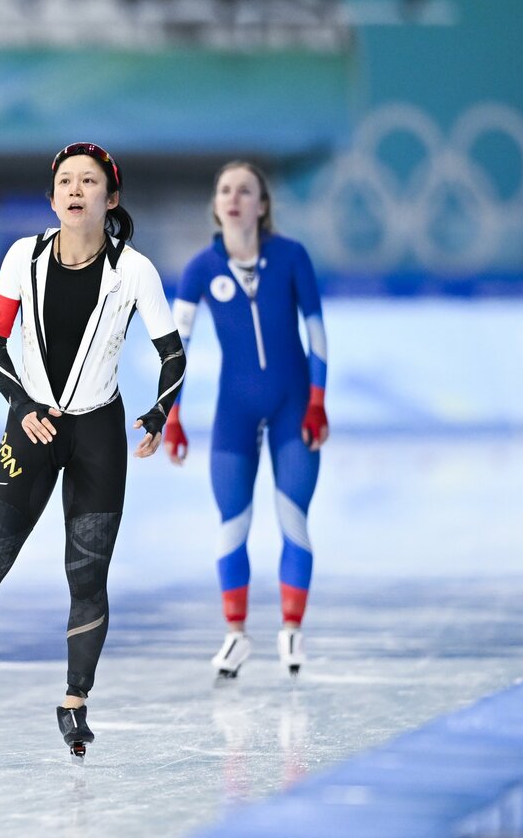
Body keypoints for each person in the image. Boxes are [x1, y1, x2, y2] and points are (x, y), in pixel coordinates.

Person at [0, 142, 187, 757]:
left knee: (88, 577)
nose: (76, 190)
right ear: (52, 198)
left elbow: (172, 354)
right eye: (66, 182)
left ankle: (75, 704)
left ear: (111, 198)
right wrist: (22, 406)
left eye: (89, 181)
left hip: (98, 436)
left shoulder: (134, 270)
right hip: (31, 430)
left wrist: (160, 411)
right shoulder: (21, 257)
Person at [162, 161, 329, 680]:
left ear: (263, 205)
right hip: (234, 411)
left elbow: (317, 335)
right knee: (233, 522)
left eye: (245, 191)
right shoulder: (200, 269)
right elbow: (177, 347)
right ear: (216, 205)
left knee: (292, 518)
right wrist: (172, 415)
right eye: (225, 191)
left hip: (293, 406)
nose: (234, 198)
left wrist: (317, 401)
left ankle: (292, 629)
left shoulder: (293, 257)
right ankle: (236, 635)